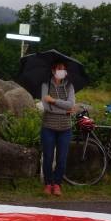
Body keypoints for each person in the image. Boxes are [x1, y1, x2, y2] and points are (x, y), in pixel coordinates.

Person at [40, 61, 75, 196]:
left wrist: (53, 101)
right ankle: (48, 183)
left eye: (64, 69)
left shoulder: (70, 85)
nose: (62, 71)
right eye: (60, 68)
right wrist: (65, 109)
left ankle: (57, 183)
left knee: (62, 158)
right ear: (53, 70)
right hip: (48, 126)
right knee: (48, 157)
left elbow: (71, 104)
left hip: (65, 128)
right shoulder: (45, 85)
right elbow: (46, 106)